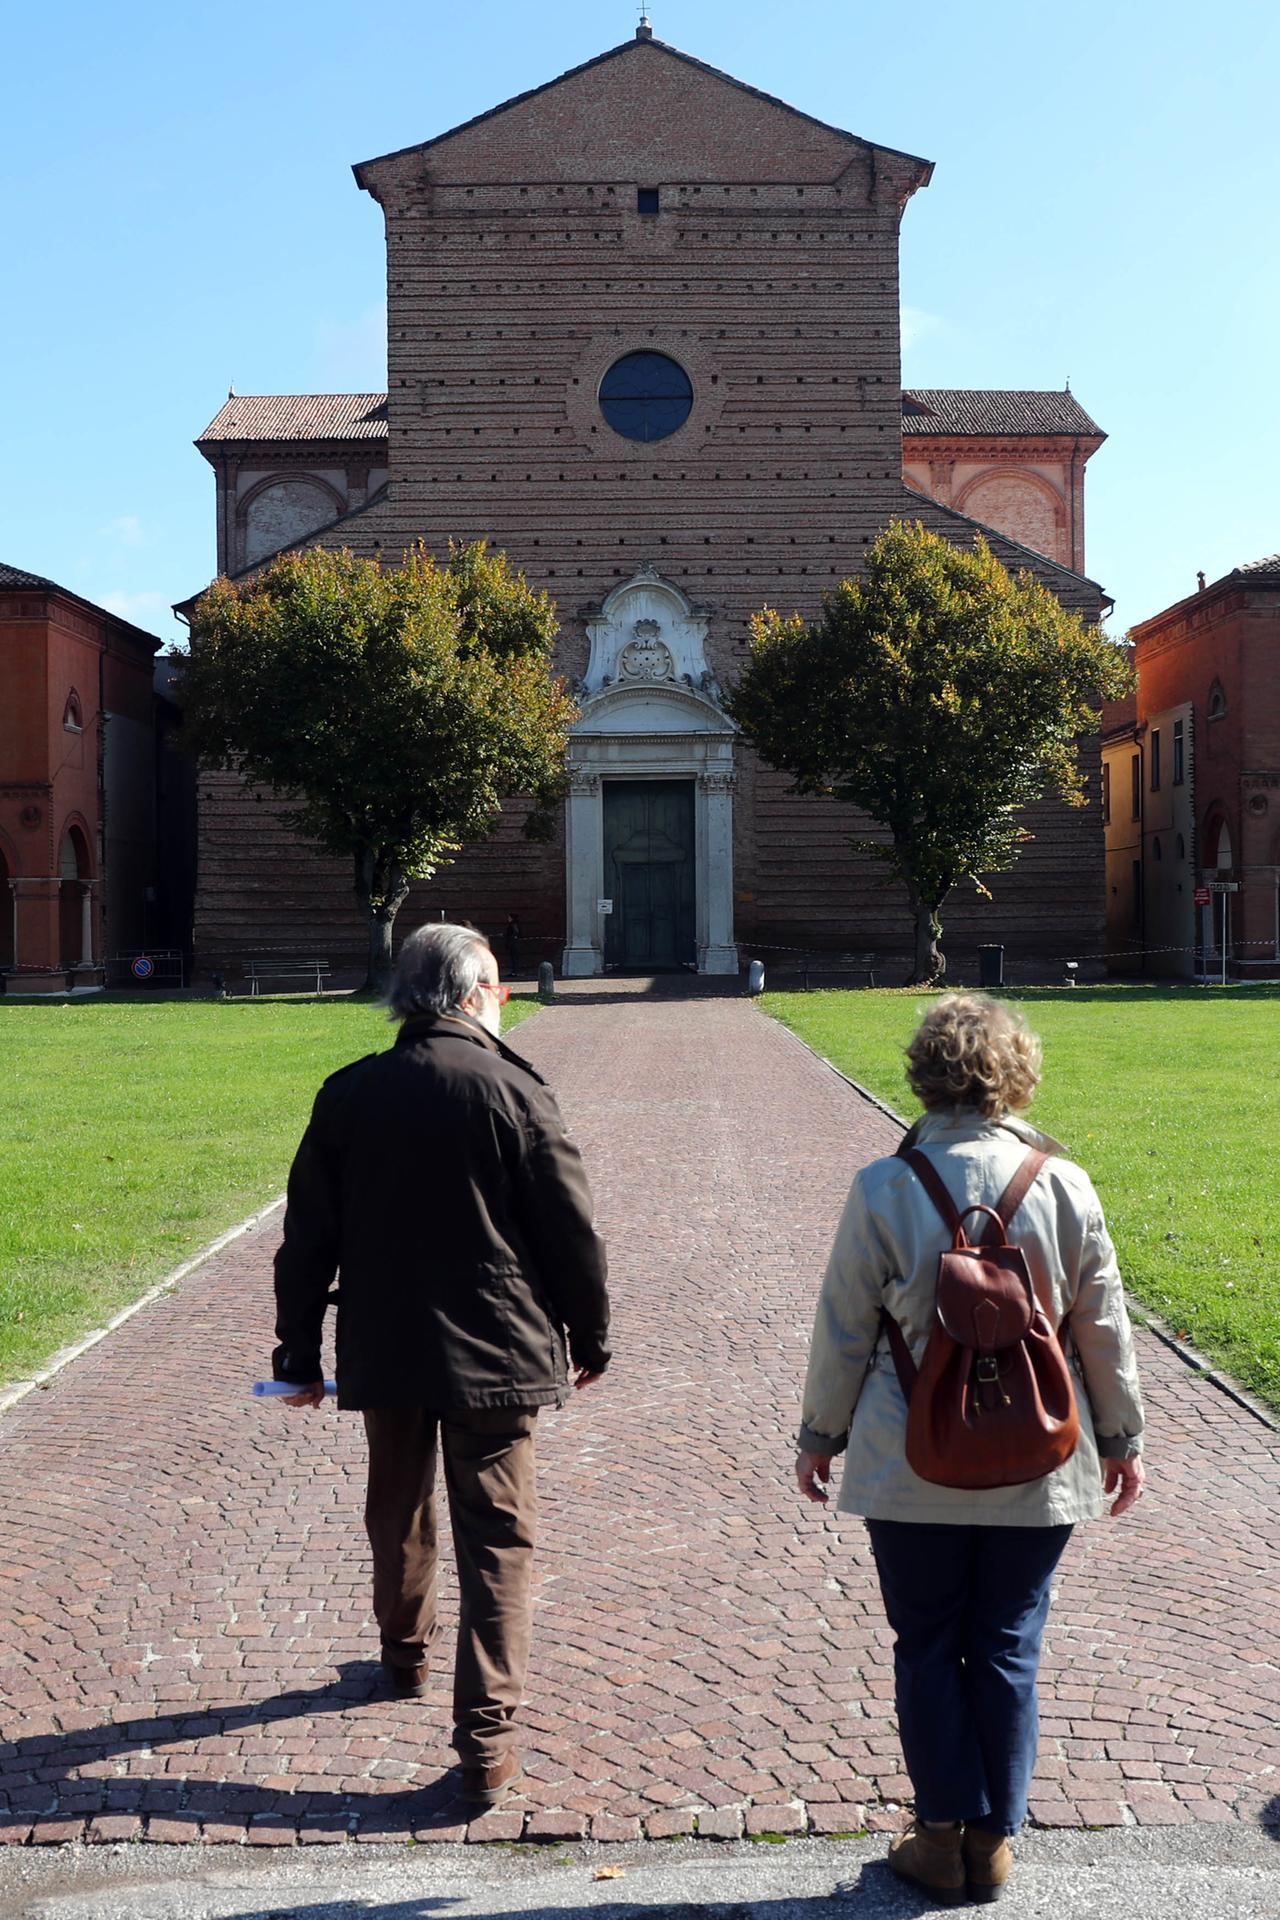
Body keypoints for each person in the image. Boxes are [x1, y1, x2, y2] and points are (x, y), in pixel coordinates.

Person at [796, 994, 1145, 1906]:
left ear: (923, 1073)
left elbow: (842, 1328)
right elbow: (1101, 1326)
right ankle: (994, 1843)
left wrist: (820, 1435)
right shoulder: (1063, 1184)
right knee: (1008, 1642)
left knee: (925, 1644)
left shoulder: (883, 1185)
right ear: (1017, 1072)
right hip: (1039, 1460)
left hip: (909, 1459)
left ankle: (941, 1832)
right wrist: (1120, 1436)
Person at [271, 922, 610, 1809]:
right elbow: (572, 1235)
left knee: (398, 1502)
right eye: (498, 987)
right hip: (497, 1352)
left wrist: (297, 1351)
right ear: (470, 995)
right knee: (498, 1541)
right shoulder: (515, 1090)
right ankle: (487, 1743)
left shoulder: (350, 1094)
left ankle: (403, 1651)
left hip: (388, 1342)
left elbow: (307, 1239)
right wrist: (592, 1332)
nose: (503, 1002)